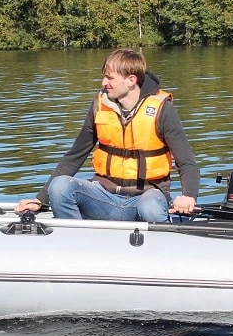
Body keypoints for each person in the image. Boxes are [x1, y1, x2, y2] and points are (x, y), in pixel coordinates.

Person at [15, 48, 199, 222]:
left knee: (150, 206)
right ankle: (75, 238)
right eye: (104, 76)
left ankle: (161, 241)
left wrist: (188, 196)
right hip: (103, 196)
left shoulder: (162, 109)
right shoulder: (99, 105)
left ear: (131, 80)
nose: (104, 83)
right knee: (60, 186)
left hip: (146, 197)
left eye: (110, 78)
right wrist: (40, 199)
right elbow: (74, 156)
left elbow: (187, 163)